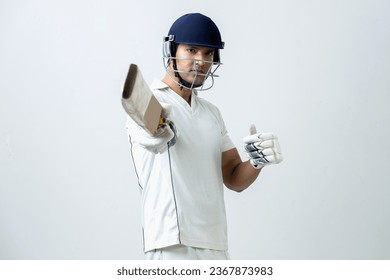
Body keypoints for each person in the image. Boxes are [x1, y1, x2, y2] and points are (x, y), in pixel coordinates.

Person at [125, 13, 283, 260]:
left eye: (208, 54)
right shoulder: (151, 100)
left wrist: (256, 161)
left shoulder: (212, 114)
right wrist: (159, 130)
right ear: (172, 49)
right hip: (171, 244)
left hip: (216, 244)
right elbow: (151, 133)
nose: (201, 61)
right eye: (192, 50)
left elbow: (233, 178)